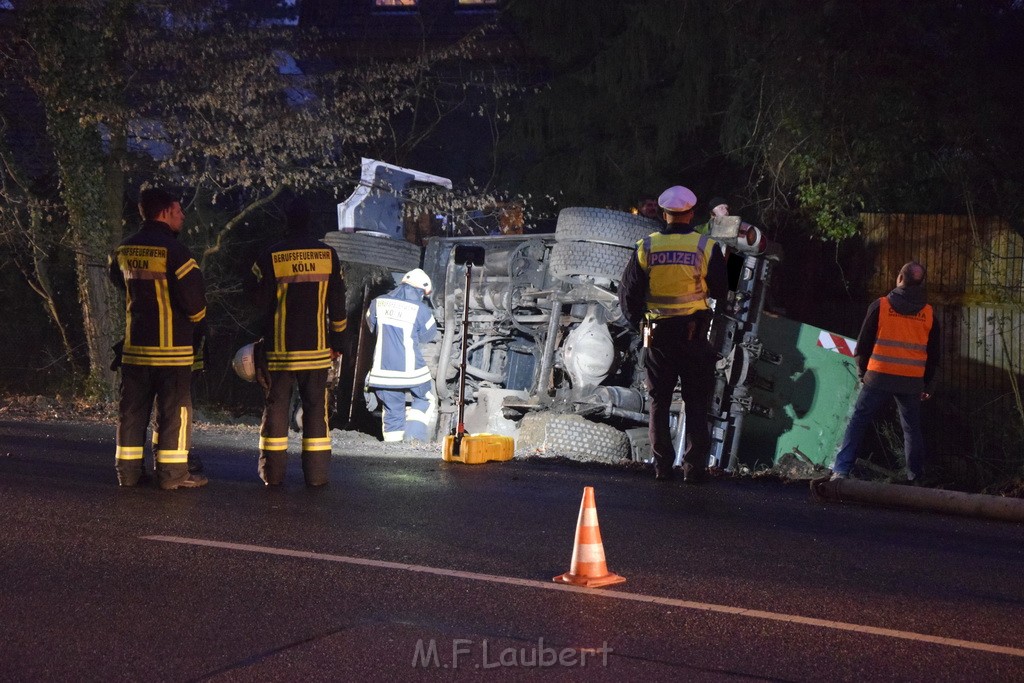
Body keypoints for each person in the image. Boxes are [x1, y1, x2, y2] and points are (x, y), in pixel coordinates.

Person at [619, 185, 729, 483]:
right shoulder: (706, 246)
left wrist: (640, 327)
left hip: (656, 337)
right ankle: (693, 469)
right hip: (694, 337)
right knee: (695, 404)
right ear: (691, 213)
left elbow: (627, 295)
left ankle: (662, 467)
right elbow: (721, 290)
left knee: (659, 403)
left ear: (665, 214)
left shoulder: (647, 246)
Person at [108, 188, 209, 490]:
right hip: (172, 352)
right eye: (179, 210)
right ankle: (173, 476)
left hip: (135, 350)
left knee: (132, 412)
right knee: (174, 414)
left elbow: (120, 283)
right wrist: (197, 326)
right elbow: (196, 306)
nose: (183, 215)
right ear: (165, 212)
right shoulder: (176, 253)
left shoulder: (123, 250)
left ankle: (127, 474)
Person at [245, 198, 347, 487]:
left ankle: (272, 475)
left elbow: (256, 300)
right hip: (317, 353)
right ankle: (316, 477)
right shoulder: (328, 255)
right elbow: (338, 306)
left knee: (276, 410)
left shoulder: (270, 255)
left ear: (285, 222)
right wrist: (338, 341)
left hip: (279, 353)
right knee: (316, 412)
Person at [830, 261, 940, 483]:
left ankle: (841, 470)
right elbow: (934, 355)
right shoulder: (929, 314)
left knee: (859, 420)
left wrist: (863, 373)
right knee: (911, 429)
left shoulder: (880, 306)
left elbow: (863, 345)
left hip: (879, 376)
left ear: (900, 278)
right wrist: (928, 385)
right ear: (921, 284)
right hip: (911, 381)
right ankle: (915, 477)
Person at [365, 268, 439, 442]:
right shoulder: (421, 309)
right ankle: (413, 439)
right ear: (421, 292)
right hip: (412, 371)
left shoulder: (378, 302)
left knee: (392, 410)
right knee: (426, 399)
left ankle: (394, 449)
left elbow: (371, 326)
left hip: (382, 372)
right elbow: (427, 337)